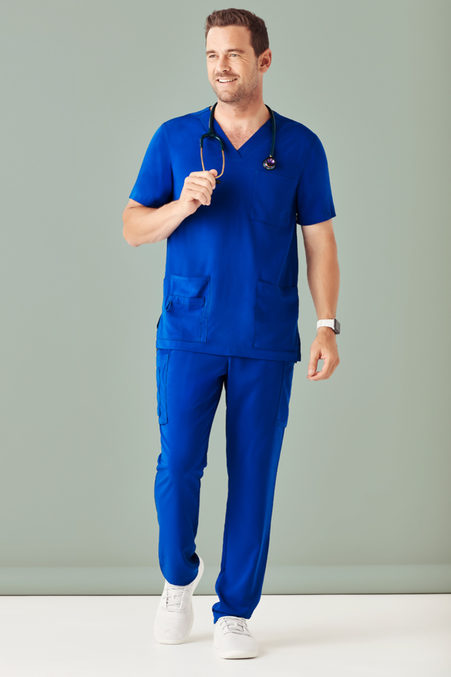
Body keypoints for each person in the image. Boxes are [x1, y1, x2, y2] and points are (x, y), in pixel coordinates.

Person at [122, 7, 340, 660]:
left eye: (235, 54)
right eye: (212, 55)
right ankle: (176, 581)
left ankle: (235, 611)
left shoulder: (298, 147)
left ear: (263, 61)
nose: (221, 66)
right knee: (177, 466)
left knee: (254, 476)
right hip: (188, 332)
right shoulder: (174, 139)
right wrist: (180, 204)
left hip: (264, 337)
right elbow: (133, 227)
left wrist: (325, 323)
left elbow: (320, 243)